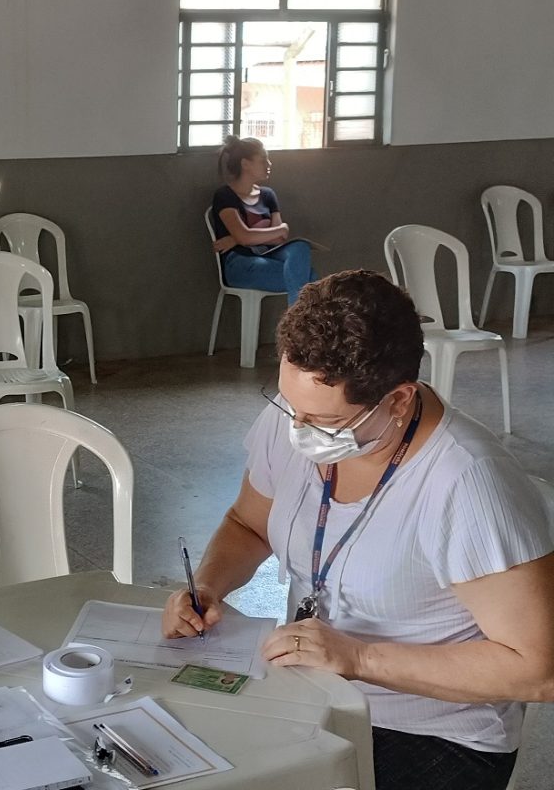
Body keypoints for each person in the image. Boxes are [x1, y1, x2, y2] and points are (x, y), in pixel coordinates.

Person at [162, 270, 554, 790]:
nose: (297, 430)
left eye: (323, 421)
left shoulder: (468, 485)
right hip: (312, 692)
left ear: (398, 400)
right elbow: (247, 524)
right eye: (288, 406)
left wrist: (358, 657)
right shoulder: (296, 423)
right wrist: (208, 585)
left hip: (431, 733)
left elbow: (537, 670)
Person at [208, 135, 317, 304]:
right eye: (263, 160)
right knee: (309, 278)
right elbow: (247, 236)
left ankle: (296, 325)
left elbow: (278, 240)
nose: (269, 164)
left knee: (301, 247)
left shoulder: (267, 195)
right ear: (245, 164)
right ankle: (297, 327)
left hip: (269, 255)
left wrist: (237, 239)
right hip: (240, 264)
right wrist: (279, 229)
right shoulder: (224, 196)